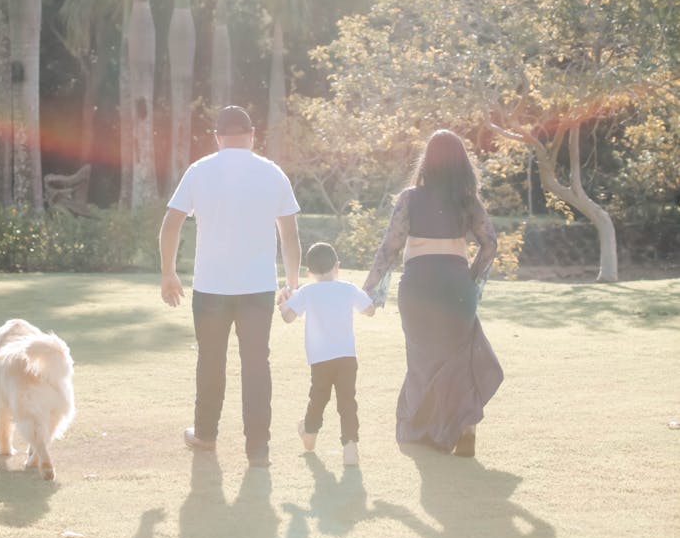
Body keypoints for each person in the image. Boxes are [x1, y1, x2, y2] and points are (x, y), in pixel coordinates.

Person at [159, 105, 301, 468]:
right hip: (258, 288)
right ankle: (259, 449)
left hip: (211, 287)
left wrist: (168, 272)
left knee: (210, 361)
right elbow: (289, 235)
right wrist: (293, 282)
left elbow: (172, 222)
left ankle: (205, 435)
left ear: (218, 137)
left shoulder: (199, 170)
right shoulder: (272, 173)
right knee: (257, 365)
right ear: (252, 135)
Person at [363, 129, 502, 457]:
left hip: (420, 287)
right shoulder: (468, 201)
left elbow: (390, 246)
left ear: (427, 160)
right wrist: (470, 279)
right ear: (462, 164)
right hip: (456, 286)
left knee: (422, 358)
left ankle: (424, 431)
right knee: (460, 358)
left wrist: (372, 291)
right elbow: (490, 243)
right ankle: (466, 429)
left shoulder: (410, 198)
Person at [279, 241, 375, 467]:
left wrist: (283, 303)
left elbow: (288, 317)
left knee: (318, 398)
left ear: (309, 272)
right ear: (337, 266)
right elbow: (369, 310)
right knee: (347, 402)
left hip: (320, 360)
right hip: (346, 357)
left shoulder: (306, 291)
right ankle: (350, 447)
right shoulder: (348, 288)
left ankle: (309, 434)